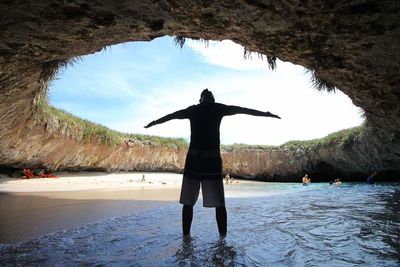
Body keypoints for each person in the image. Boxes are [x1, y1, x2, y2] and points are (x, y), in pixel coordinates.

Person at [144, 89, 280, 237]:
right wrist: (155, 122)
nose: (208, 93)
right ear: (201, 99)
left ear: (208, 99)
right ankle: (187, 239)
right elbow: (172, 116)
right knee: (190, 202)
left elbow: (242, 110)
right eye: (206, 93)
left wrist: (265, 114)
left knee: (217, 203)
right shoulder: (203, 109)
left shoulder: (211, 109)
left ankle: (222, 240)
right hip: (202, 160)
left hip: (205, 160)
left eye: (209, 93)